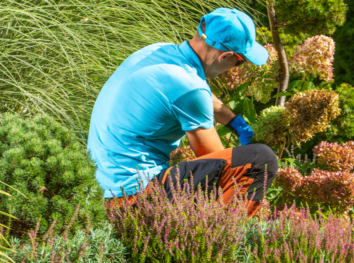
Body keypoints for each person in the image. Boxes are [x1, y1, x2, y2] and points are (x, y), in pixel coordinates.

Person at [88, 8, 278, 216]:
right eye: (240, 62)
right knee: (261, 160)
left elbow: (197, 93)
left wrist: (236, 124)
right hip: (131, 198)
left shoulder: (159, 52)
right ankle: (224, 239)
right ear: (225, 56)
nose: (236, 68)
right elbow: (218, 165)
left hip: (99, 190)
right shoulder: (190, 89)